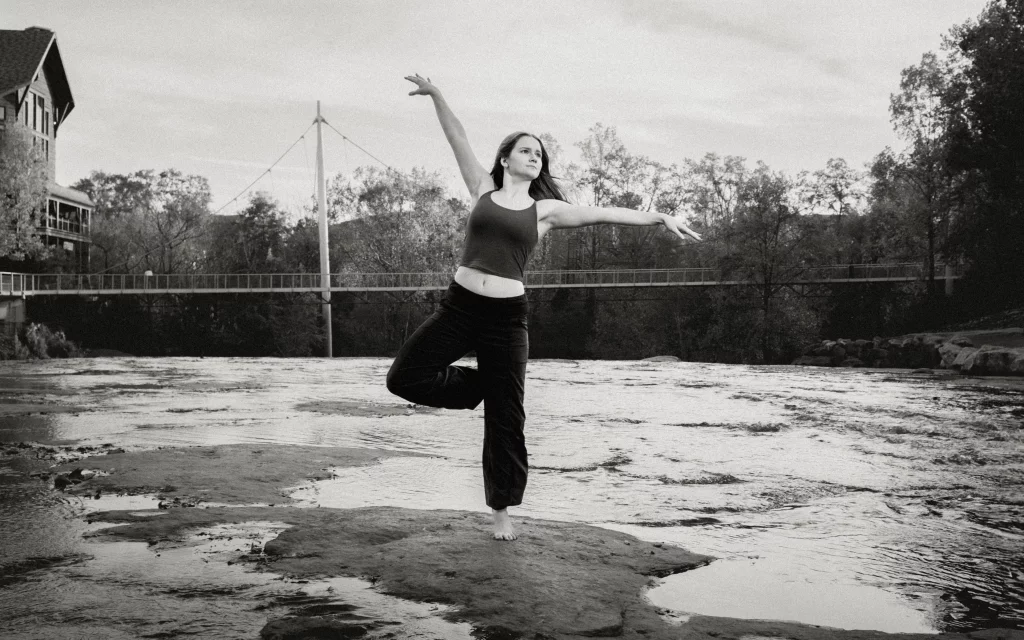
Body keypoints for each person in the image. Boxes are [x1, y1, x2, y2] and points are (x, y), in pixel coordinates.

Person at [386, 74, 701, 541]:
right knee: (403, 377)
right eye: (527, 150)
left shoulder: (544, 210)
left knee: (508, 418)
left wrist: (657, 217)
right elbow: (457, 136)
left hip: (507, 319)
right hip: (459, 309)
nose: (535, 157)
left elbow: (605, 212)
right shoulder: (481, 188)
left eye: (540, 154)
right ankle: (478, 389)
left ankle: (501, 513)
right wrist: (438, 95)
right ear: (505, 158)